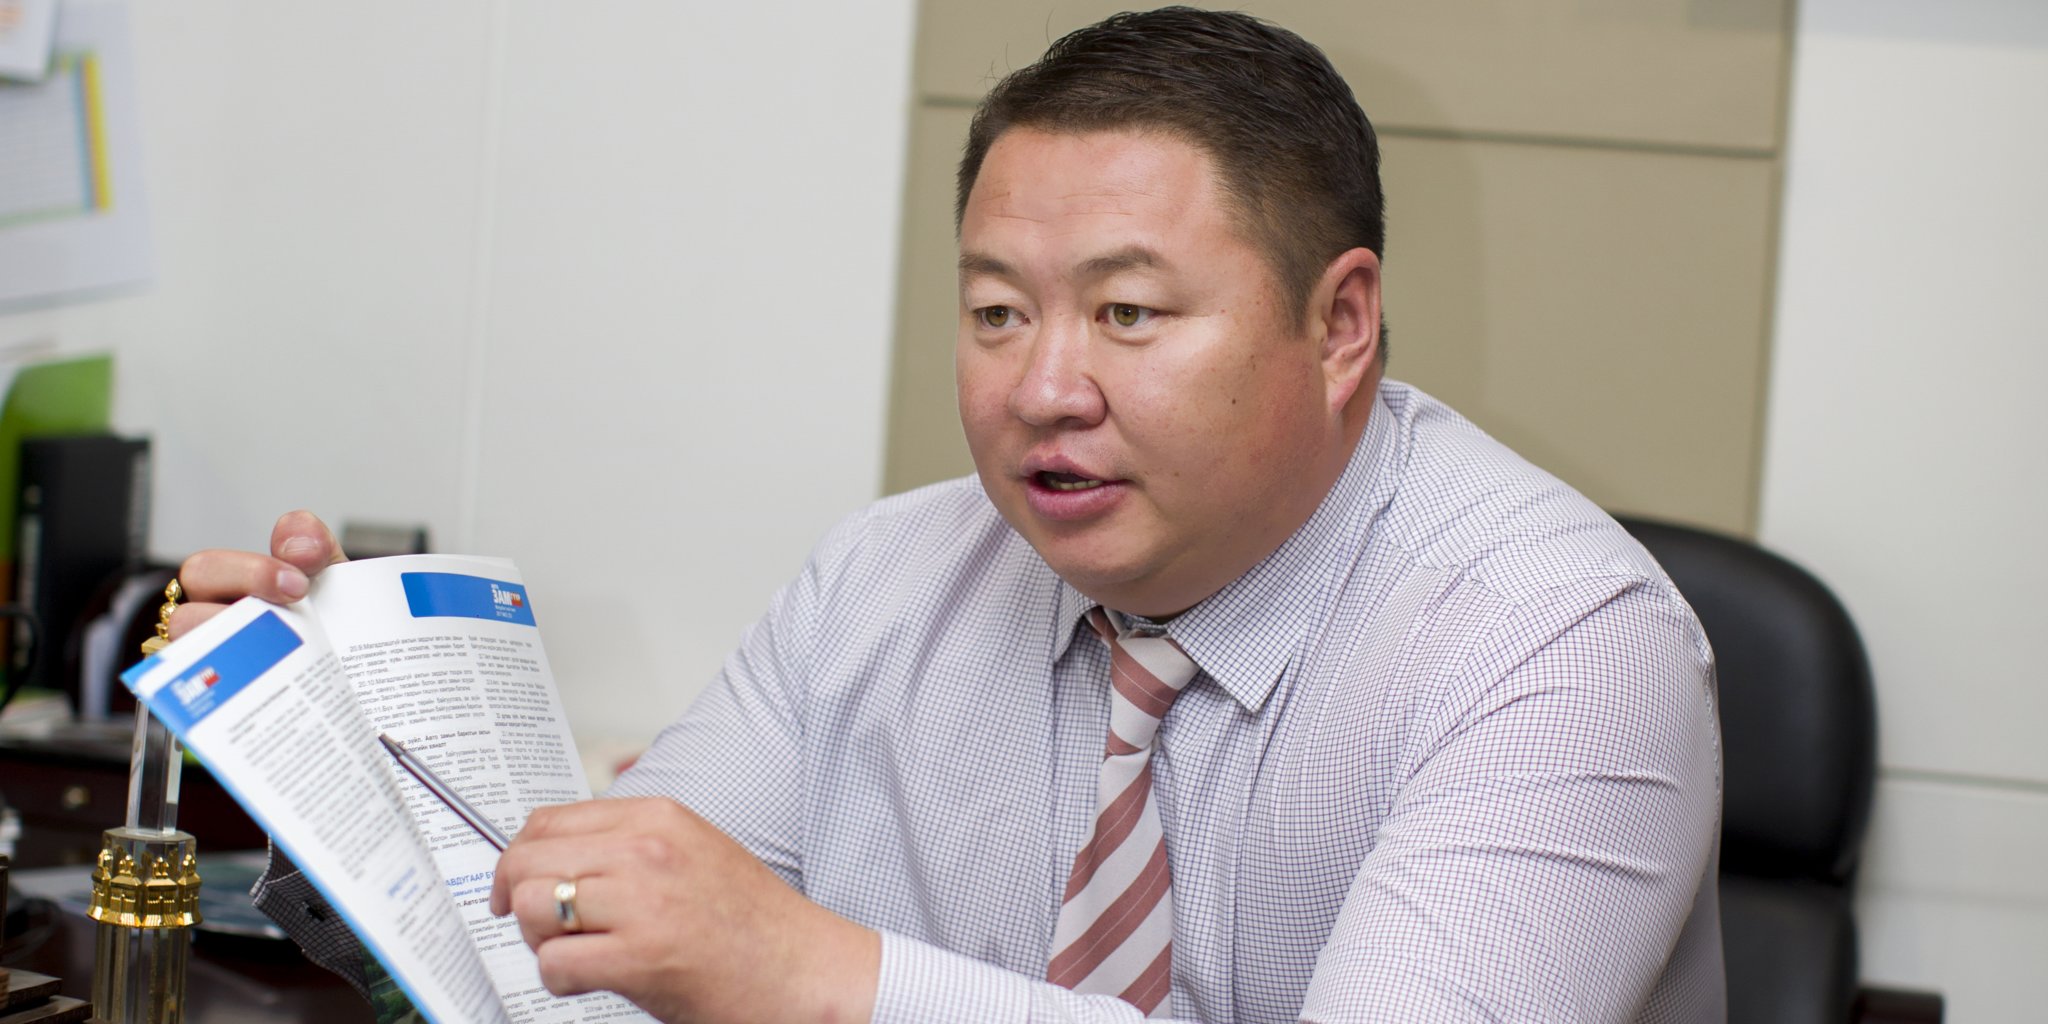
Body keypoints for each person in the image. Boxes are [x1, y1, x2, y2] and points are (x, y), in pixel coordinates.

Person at [173, 8, 1723, 1022]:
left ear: (1340, 326)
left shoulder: (1563, 645)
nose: (1042, 388)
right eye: (995, 312)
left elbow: (773, 971)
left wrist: (817, 976)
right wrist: (329, 766)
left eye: (1127, 313)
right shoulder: (885, 578)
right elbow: (571, 966)